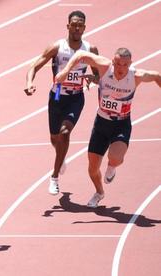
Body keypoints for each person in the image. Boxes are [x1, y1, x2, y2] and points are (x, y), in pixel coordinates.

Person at [55, 47, 161, 207]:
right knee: (92, 168)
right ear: (113, 61)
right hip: (101, 124)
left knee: (115, 157)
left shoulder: (136, 76)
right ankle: (99, 192)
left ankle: (112, 166)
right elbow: (80, 54)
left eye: (124, 65)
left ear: (130, 64)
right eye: (118, 64)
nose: (120, 68)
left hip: (121, 125)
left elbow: (157, 76)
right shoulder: (105, 67)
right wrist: (65, 72)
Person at [24, 10, 99, 195]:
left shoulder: (90, 49)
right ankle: (61, 156)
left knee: (65, 133)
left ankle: (54, 177)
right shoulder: (57, 47)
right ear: (68, 26)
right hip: (57, 96)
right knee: (54, 138)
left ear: (84, 28)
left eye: (80, 24)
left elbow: (100, 74)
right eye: (73, 24)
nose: (76, 27)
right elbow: (34, 66)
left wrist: (92, 77)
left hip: (75, 98)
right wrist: (29, 83)